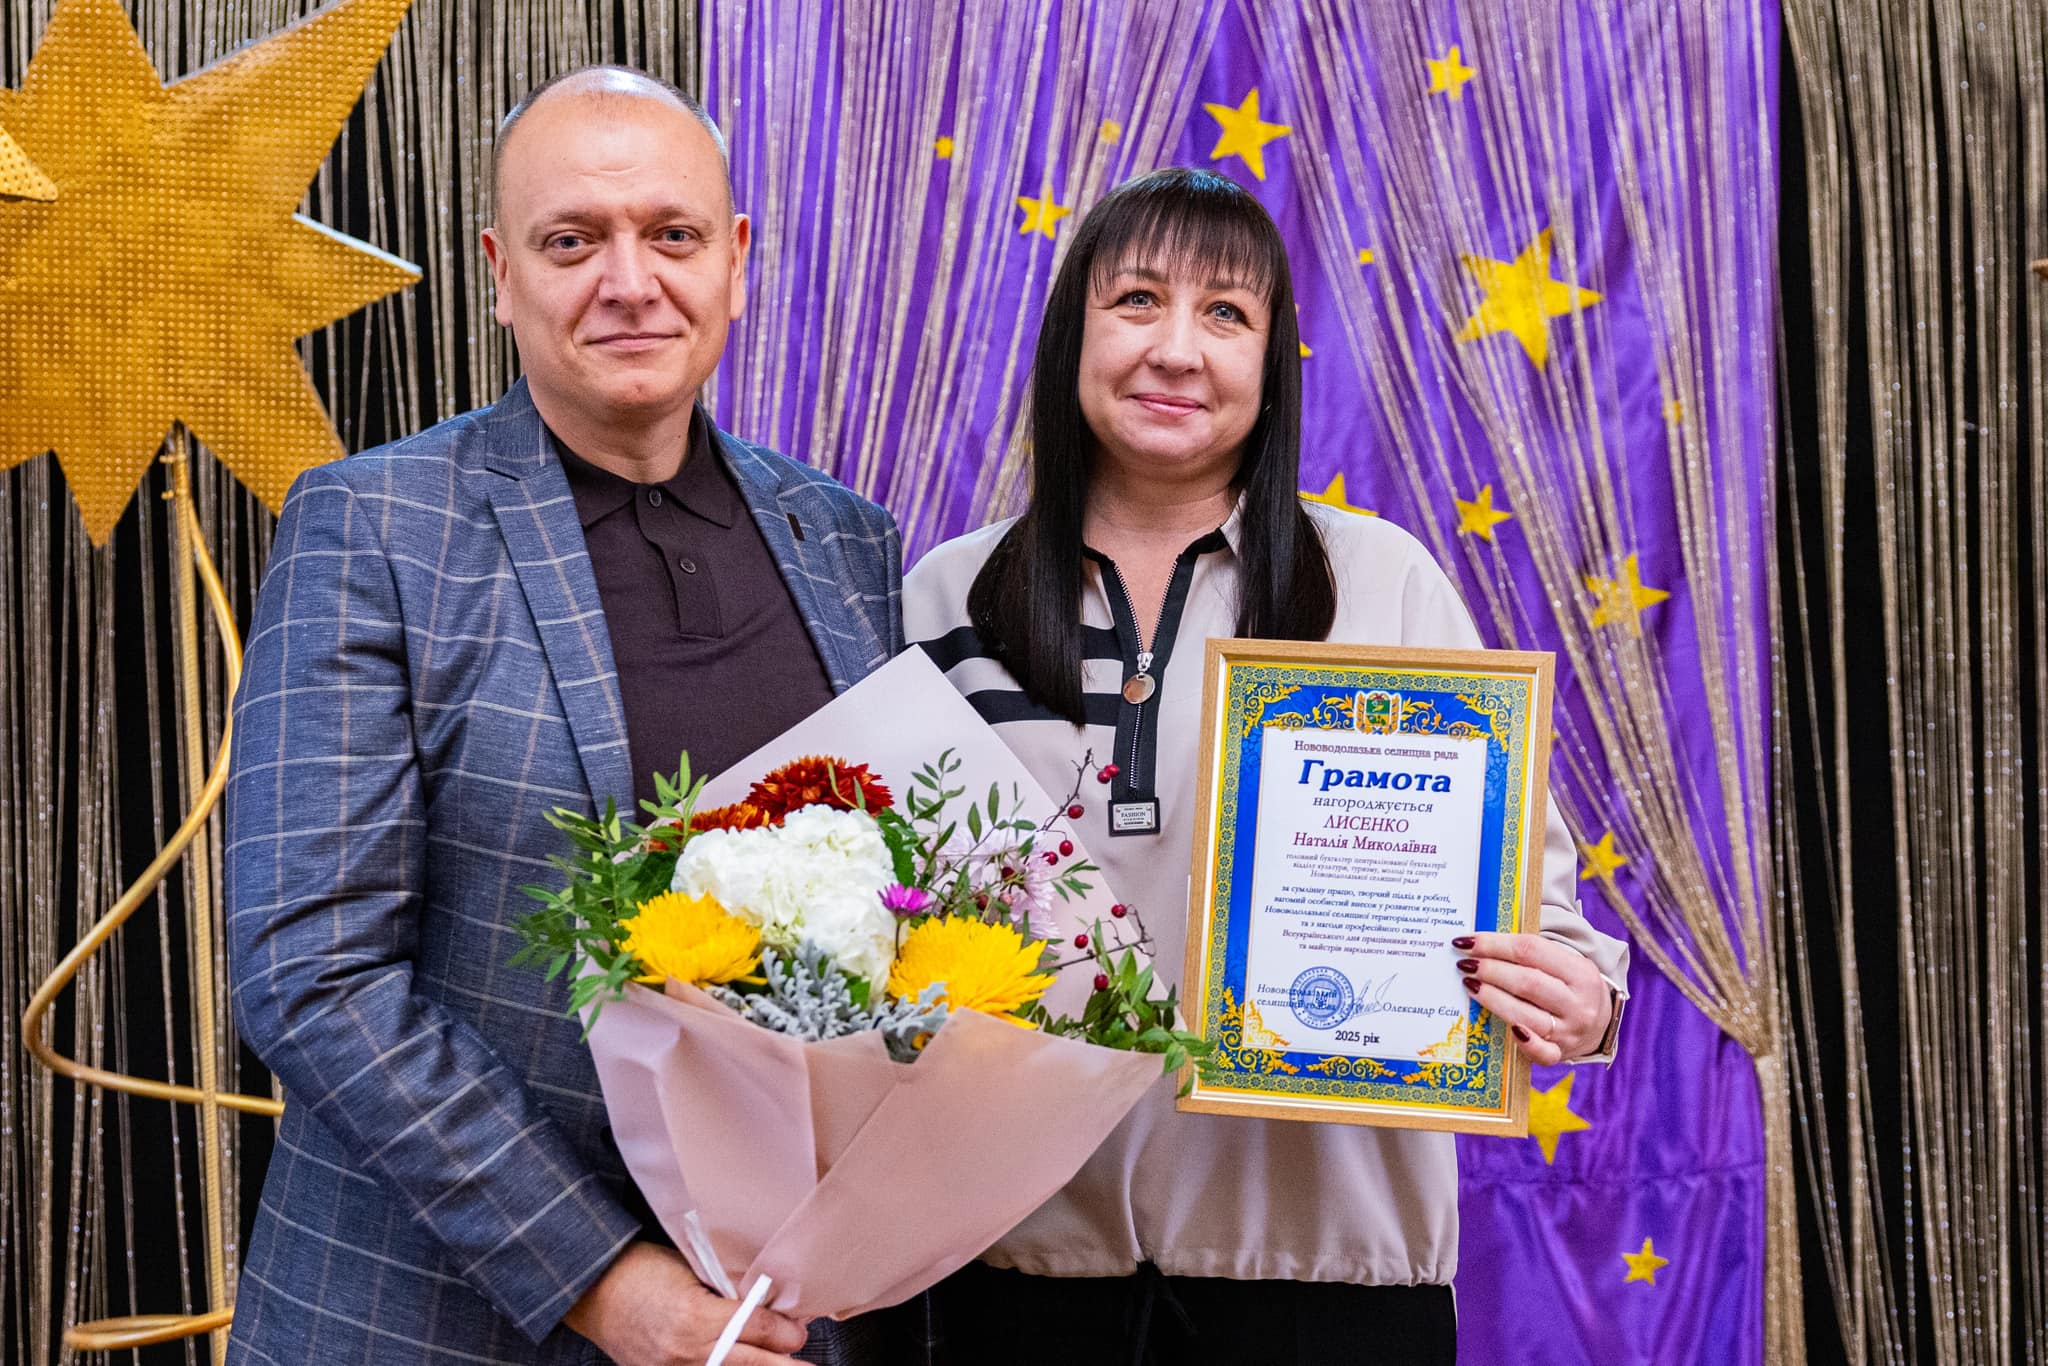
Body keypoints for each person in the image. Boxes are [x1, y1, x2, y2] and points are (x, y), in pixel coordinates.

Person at [894, 167, 1630, 1364]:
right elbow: (885, 920)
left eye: (1226, 313)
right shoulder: (944, 593)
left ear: (1273, 362)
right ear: (1071, 331)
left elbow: (1540, 921)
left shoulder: (1379, 583)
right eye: (1136, 299)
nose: (1176, 349)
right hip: (1013, 1279)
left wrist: (1580, 1000)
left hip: (1324, 1280)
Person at [225, 66, 900, 1366]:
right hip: (425, 1324)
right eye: (573, 241)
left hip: (766, 1323)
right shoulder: (375, 526)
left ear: (736, 259)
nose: (630, 282)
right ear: (500, 272)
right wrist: (603, 1281)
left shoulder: (846, 539)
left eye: (673, 234)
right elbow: (313, 972)